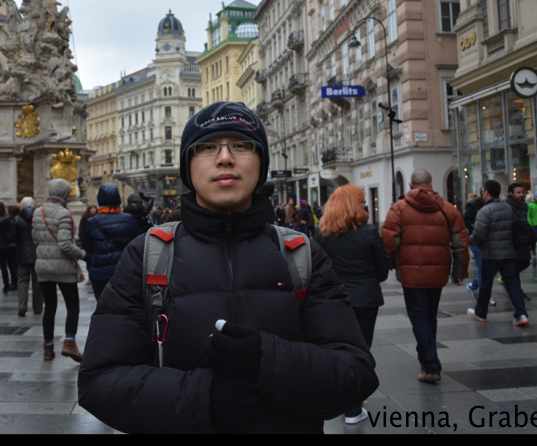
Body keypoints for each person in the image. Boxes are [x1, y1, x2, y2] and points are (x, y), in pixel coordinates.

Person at [78, 101, 379, 434]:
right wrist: (204, 399)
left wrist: (269, 359)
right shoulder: (146, 255)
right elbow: (99, 380)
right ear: (188, 167)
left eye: (241, 145)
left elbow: (355, 372)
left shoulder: (302, 255)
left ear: (260, 163)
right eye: (206, 147)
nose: (224, 157)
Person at [381, 170, 469, 384]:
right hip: (438, 272)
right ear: (431, 183)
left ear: (410, 185)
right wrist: (459, 272)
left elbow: (389, 242)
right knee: (429, 316)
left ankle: (430, 365)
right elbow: (461, 245)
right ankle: (426, 359)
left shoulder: (398, 209)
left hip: (411, 274)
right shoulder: (448, 209)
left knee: (419, 317)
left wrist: (391, 265)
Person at [315, 184, 389, 425]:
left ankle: (341, 398)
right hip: (365, 298)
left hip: (335, 299)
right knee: (361, 350)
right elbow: (382, 270)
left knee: (338, 349)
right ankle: (353, 409)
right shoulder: (368, 232)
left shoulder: (322, 233)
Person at [32, 178, 87, 362]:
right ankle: (69, 343)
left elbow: (35, 239)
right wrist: (82, 254)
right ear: (65, 193)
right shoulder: (63, 213)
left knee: (50, 306)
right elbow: (65, 244)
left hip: (43, 266)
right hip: (63, 267)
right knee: (73, 306)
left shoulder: (37, 212)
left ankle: (48, 349)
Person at [467, 180, 529, 326]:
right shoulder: (508, 207)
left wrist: (469, 239)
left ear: (486, 192)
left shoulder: (484, 211)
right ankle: (521, 314)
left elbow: (478, 235)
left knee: (486, 283)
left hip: (491, 253)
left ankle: (481, 312)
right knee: (513, 283)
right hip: (509, 252)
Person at [82, 183, 140, 300]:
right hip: (124, 271)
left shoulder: (91, 222)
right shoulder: (129, 219)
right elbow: (136, 243)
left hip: (99, 274)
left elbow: (86, 246)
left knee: (103, 306)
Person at [11, 197, 43, 317]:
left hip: (22, 254)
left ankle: (22, 307)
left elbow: (13, 239)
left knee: (22, 281)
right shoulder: (39, 219)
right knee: (38, 283)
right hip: (37, 253)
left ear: (22, 206)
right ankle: (38, 307)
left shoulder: (17, 220)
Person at [462, 193, 492, 304]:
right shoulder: (475, 206)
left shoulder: (485, 206)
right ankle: (485, 294)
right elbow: (465, 218)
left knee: (485, 268)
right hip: (476, 240)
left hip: (484, 240)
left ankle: (474, 285)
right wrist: (475, 227)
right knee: (482, 267)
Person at [506, 183, 532, 301]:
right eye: (518, 192)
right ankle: (517, 292)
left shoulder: (523, 205)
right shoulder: (508, 205)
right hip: (515, 241)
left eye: (522, 192)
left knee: (525, 262)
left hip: (523, 240)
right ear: (511, 193)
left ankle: (512, 285)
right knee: (516, 267)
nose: (522, 194)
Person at [4, 205, 20, 291]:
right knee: (16, 265)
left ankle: (14, 281)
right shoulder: (20, 220)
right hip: (18, 245)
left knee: (11, 264)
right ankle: (16, 281)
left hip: (11, 245)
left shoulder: (9, 221)